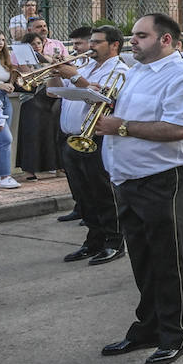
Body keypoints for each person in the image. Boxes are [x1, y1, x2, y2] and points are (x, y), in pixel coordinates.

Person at [97, 13, 183, 364]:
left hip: (164, 177)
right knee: (142, 258)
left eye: (141, 35)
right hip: (128, 177)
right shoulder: (137, 71)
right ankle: (147, 326)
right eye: (133, 35)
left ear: (166, 40)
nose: (132, 40)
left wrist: (122, 127)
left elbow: (179, 129)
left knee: (167, 258)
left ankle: (174, 334)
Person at [50, 25, 129, 264]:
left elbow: (107, 97)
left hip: (96, 138)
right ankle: (93, 240)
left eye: (97, 42)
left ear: (114, 45)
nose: (91, 46)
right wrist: (56, 71)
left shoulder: (121, 69)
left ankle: (114, 242)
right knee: (83, 194)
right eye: (91, 41)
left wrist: (74, 76)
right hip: (72, 138)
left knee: (102, 192)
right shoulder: (85, 66)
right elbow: (54, 92)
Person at [15, 33, 61, 181]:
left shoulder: (48, 59)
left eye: (39, 43)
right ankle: (29, 171)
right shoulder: (23, 59)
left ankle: (57, 167)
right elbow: (28, 77)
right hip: (31, 99)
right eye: (33, 44)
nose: (36, 46)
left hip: (48, 99)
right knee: (31, 136)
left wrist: (50, 63)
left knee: (51, 134)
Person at [0, 30, 17, 189]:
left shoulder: (3, 59)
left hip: (4, 99)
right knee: (5, 139)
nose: (1, 43)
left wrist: (10, 84)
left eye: (2, 40)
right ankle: (4, 175)